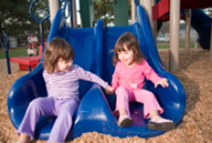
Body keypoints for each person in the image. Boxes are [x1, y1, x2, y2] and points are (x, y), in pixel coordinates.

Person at [16, 37, 114, 143]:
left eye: (71, 59)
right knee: (35, 103)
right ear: (53, 61)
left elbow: (91, 76)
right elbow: (50, 89)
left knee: (66, 110)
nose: (71, 63)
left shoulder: (75, 70)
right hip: (53, 101)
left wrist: (106, 86)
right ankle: (24, 137)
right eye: (66, 61)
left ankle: (55, 140)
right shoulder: (47, 73)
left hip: (70, 101)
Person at [111, 32, 175, 131]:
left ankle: (155, 118)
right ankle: (123, 115)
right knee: (120, 90)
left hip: (137, 92)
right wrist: (113, 87)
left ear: (135, 51)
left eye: (126, 53)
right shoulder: (119, 65)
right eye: (119, 53)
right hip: (125, 92)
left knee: (149, 95)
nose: (122, 56)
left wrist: (157, 80)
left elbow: (150, 73)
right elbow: (115, 77)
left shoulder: (141, 63)